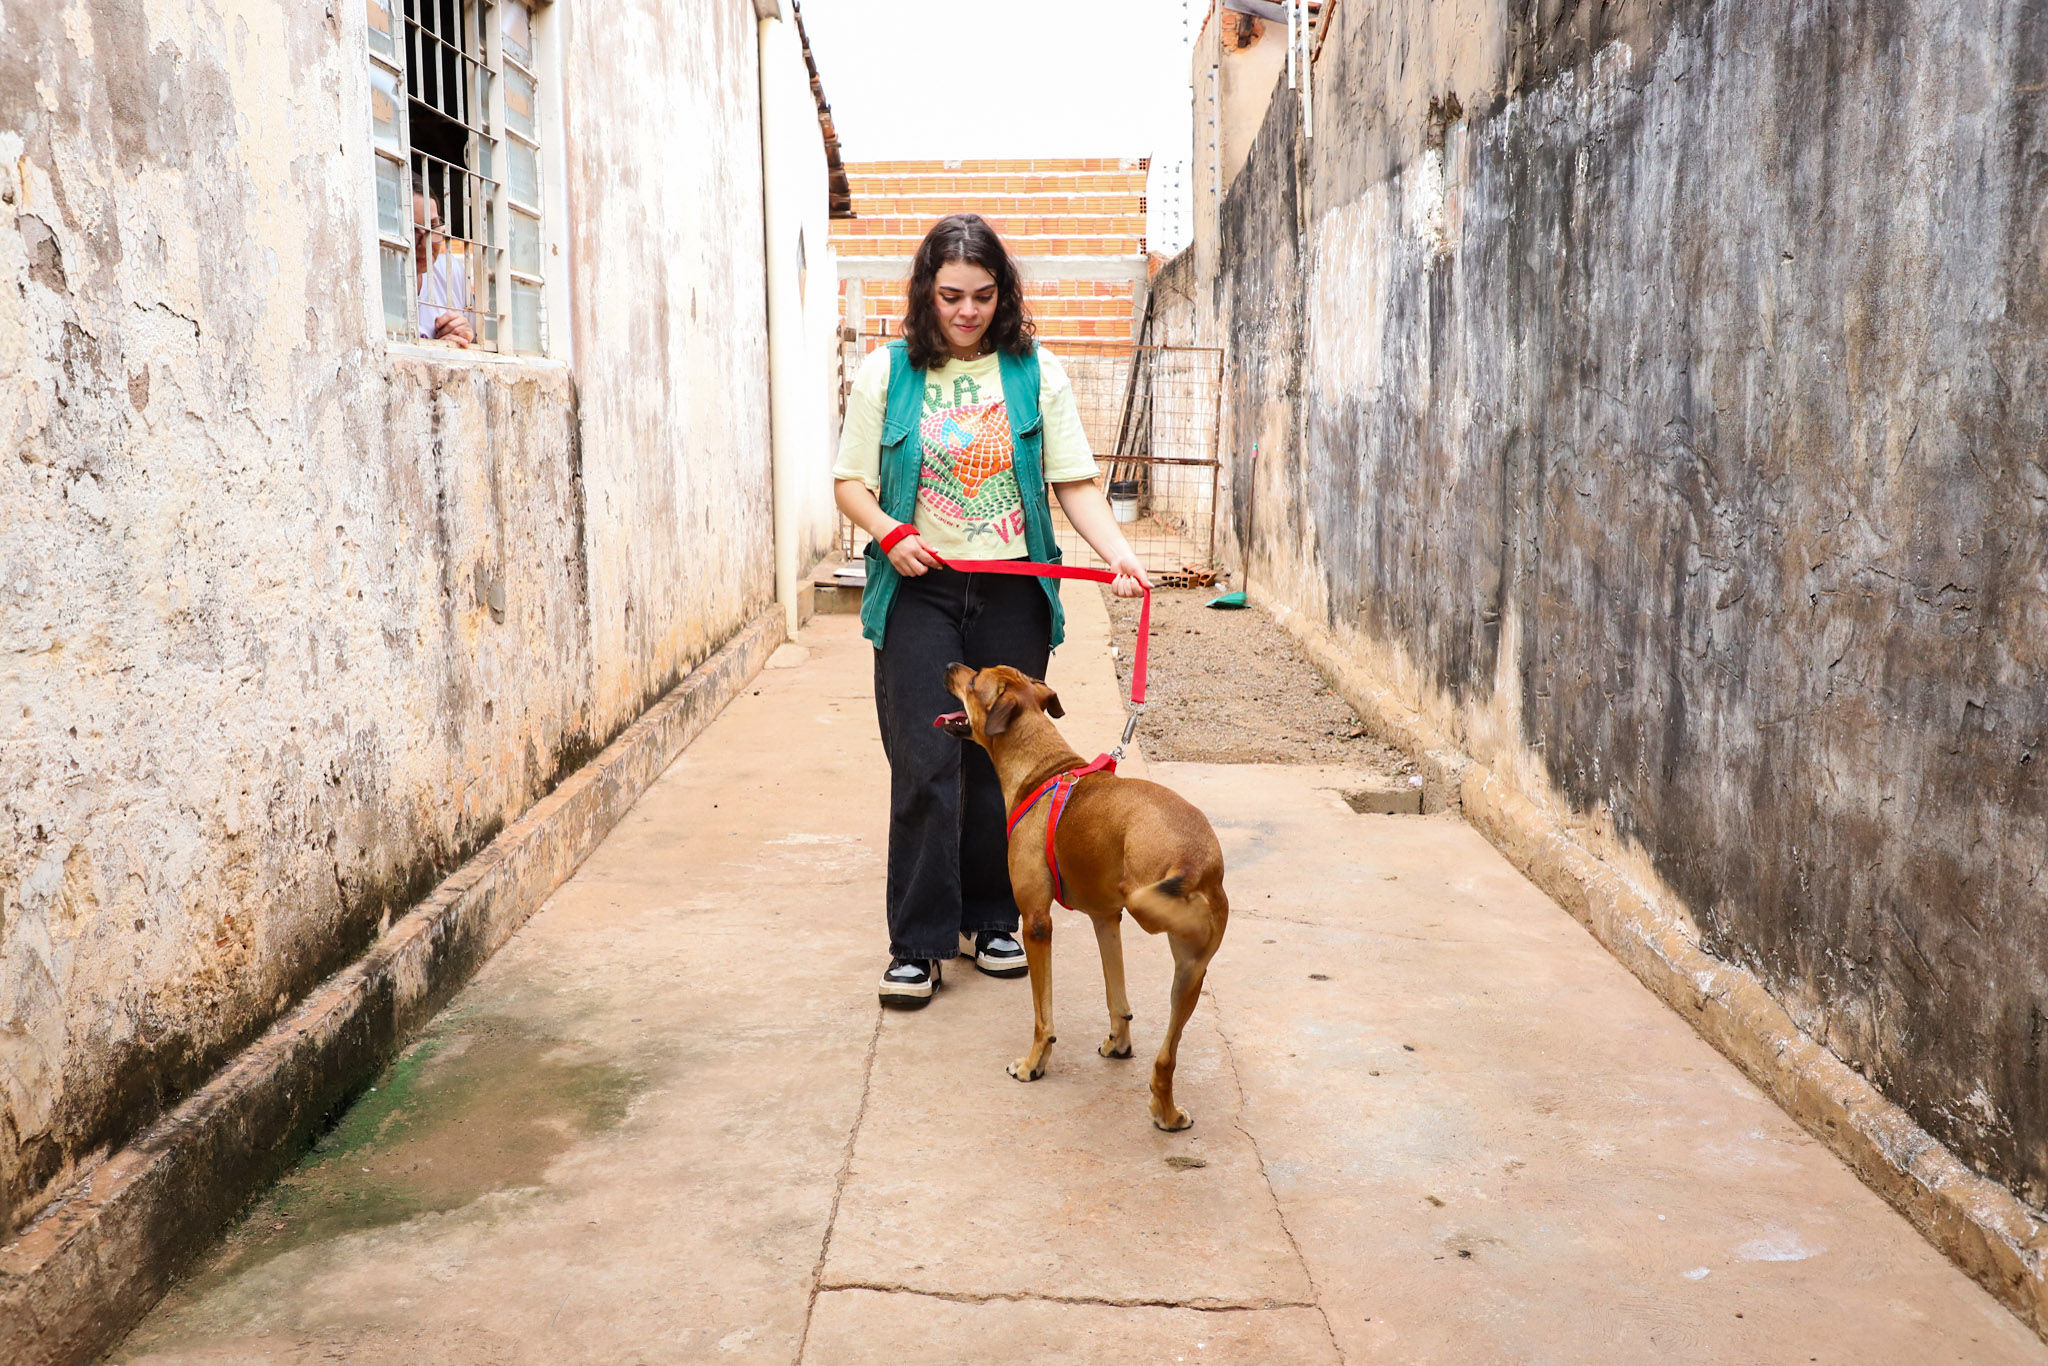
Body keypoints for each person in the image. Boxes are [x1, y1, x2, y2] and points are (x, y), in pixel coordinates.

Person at [832, 213, 1150, 1008]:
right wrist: (888, 531)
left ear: (1002, 296)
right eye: (949, 297)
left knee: (1000, 762)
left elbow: (1073, 480)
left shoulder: (1036, 372)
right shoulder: (887, 372)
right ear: (925, 295)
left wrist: (1115, 552)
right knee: (926, 761)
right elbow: (848, 483)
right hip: (919, 588)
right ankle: (919, 943)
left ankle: (993, 920)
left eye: (981, 296)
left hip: (1013, 586)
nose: (966, 312)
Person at [413, 177, 474, 346]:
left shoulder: (451, 270)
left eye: (433, 227)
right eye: (413, 230)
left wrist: (465, 335)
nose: (424, 244)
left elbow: (477, 340)